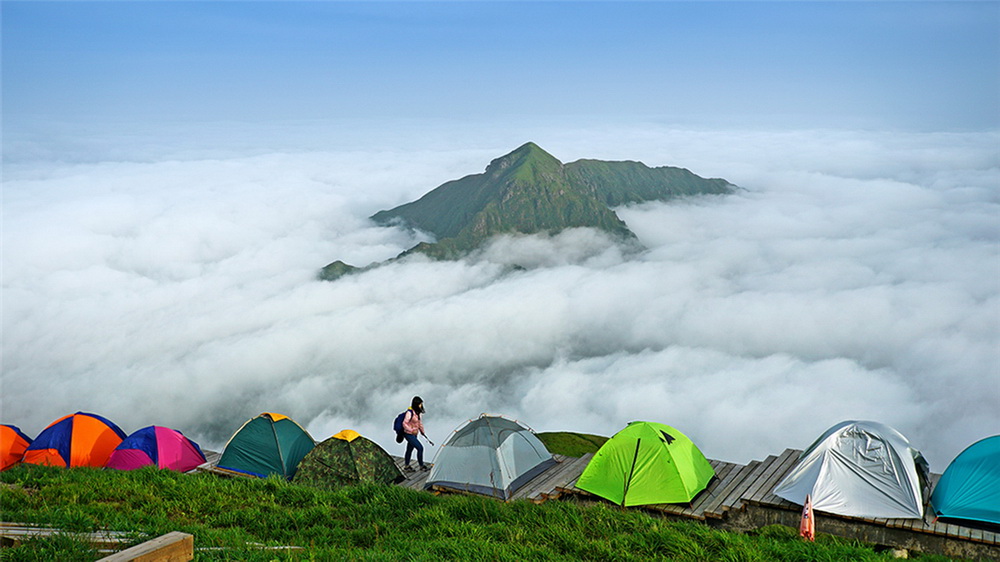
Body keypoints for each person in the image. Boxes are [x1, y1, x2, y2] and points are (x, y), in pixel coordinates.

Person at [402, 396, 429, 472]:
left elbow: (420, 423)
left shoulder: (418, 412)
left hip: (414, 434)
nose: (421, 405)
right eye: (420, 404)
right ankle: (421, 465)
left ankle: (407, 466)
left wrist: (422, 432)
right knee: (420, 448)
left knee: (409, 449)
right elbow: (404, 423)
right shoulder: (409, 413)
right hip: (408, 434)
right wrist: (411, 430)